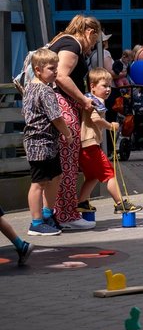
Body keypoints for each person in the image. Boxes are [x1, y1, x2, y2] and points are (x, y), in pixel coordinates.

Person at [49, 14, 101, 230]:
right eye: (95, 41)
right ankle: (66, 215)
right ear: (89, 33)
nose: (92, 48)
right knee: (68, 163)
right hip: (63, 108)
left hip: (55, 107)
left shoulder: (60, 40)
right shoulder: (73, 44)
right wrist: (83, 99)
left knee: (59, 165)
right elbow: (61, 75)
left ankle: (53, 214)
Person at [76, 67, 143, 215]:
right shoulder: (93, 101)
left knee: (93, 176)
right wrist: (110, 126)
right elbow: (95, 119)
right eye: (104, 86)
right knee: (110, 174)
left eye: (109, 86)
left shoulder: (93, 99)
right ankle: (120, 204)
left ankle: (82, 202)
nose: (108, 89)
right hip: (90, 144)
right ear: (92, 86)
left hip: (85, 145)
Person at [22, 48, 72, 237]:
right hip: (39, 142)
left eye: (56, 67)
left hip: (46, 142)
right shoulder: (44, 90)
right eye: (52, 68)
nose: (56, 72)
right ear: (38, 69)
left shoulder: (31, 87)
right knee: (39, 183)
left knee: (55, 176)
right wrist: (67, 134)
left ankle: (47, 213)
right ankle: (36, 223)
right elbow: (56, 117)